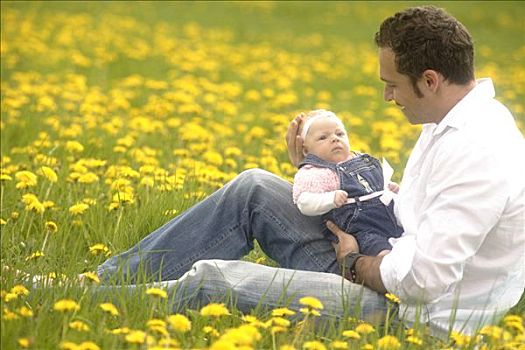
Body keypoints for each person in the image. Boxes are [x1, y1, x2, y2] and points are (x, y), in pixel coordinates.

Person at [30, 5, 524, 338]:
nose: (387, 97)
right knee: (254, 189)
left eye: (392, 85)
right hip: (383, 257)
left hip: (412, 317)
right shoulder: (451, 121)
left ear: (431, 79)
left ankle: (80, 308)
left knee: (215, 282)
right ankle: (89, 284)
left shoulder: (479, 149)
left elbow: (425, 280)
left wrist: (354, 264)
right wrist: (320, 173)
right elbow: (411, 213)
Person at [292, 109, 403, 256]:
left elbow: (374, 184)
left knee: (412, 235)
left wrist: (389, 187)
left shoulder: (361, 159)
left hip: (392, 216)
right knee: (378, 248)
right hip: (362, 229)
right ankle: (385, 263)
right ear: (306, 150)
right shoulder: (316, 172)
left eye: (340, 134)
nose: (334, 139)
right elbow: (304, 202)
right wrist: (330, 199)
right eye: (323, 137)